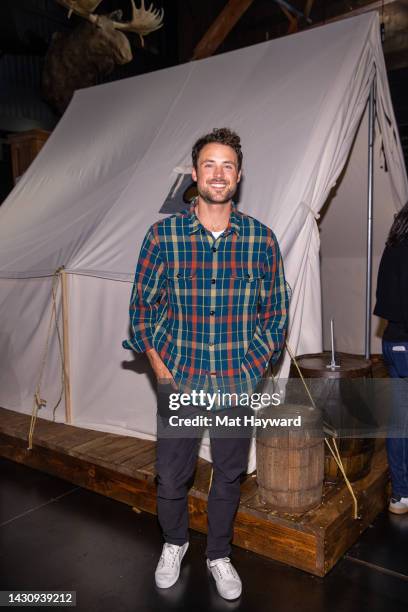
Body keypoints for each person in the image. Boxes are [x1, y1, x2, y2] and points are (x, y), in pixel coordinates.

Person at [123, 128, 289, 599]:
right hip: (182, 378)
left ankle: (219, 553)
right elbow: (142, 310)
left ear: (239, 176)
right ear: (194, 175)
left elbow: (275, 315)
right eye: (210, 165)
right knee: (173, 476)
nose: (219, 174)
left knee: (230, 474)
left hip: (236, 382)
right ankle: (174, 543)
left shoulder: (261, 240)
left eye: (228, 166)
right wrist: (160, 366)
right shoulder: (163, 235)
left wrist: (252, 369)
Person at [374, 201, 408, 515]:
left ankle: (400, 494)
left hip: (393, 343)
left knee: (399, 422)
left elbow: (383, 301)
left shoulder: (393, 244)